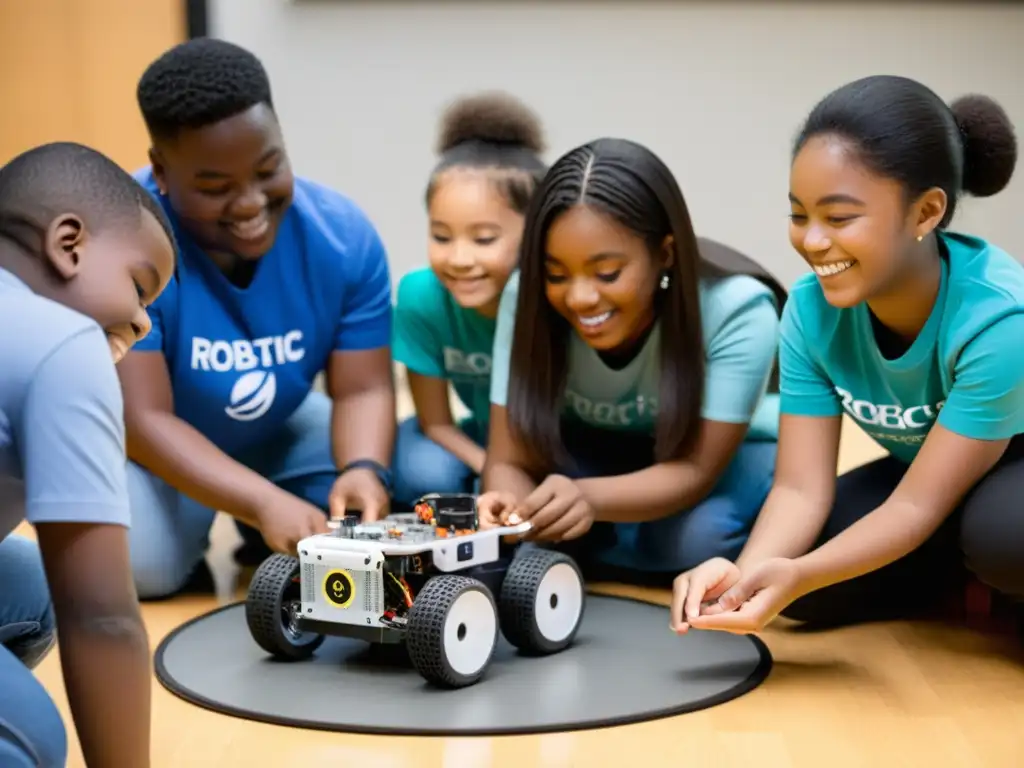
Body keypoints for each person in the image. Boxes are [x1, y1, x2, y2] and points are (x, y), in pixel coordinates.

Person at [670, 75, 1023, 635]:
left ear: (926, 212)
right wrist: (745, 577)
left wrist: (803, 571)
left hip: (1012, 474)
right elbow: (799, 487)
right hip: (926, 480)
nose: (812, 241)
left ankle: (987, 572)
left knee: (1006, 537)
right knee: (801, 590)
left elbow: (915, 509)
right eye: (798, 214)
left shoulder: (999, 320)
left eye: (838, 218)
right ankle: (962, 576)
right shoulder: (811, 311)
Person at [120, 37, 396, 598]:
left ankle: (254, 511)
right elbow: (143, 419)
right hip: (151, 446)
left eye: (268, 170)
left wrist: (364, 467)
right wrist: (260, 500)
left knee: (386, 498)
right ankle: (219, 515)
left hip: (278, 424)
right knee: (141, 569)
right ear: (162, 171)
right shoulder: (122, 241)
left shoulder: (341, 237)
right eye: (215, 187)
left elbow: (364, 390)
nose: (248, 204)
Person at [477, 137, 787, 582]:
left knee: (697, 541)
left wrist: (588, 500)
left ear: (664, 254)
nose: (581, 298)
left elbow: (695, 470)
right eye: (556, 274)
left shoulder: (738, 308)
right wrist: (513, 511)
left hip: (717, 454)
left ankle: (604, 542)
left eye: (607, 273)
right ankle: (617, 539)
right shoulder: (522, 296)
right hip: (596, 449)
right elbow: (506, 459)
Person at [0, 142, 176, 767]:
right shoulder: (65, 346)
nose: (145, 322)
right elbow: (103, 620)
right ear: (68, 243)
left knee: (31, 589)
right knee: (33, 744)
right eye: (140, 286)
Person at [391, 91, 548, 508]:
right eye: (441, 236)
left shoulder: (556, 299)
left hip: (545, 444)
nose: (459, 259)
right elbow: (436, 422)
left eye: (483, 239)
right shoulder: (421, 296)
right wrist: (493, 471)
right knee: (422, 474)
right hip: (474, 434)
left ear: (535, 233)